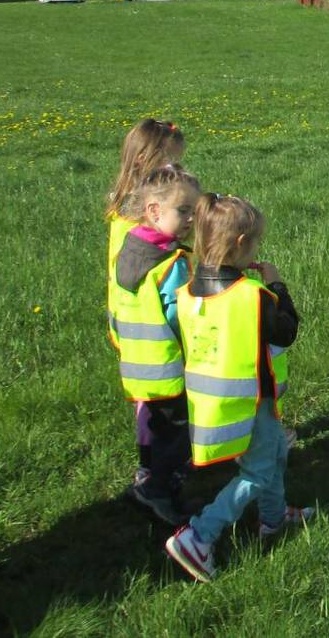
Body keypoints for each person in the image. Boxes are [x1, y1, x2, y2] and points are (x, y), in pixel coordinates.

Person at [165, 194, 309, 582]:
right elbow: (288, 330)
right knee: (257, 473)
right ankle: (199, 534)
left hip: (214, 401)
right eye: (256, 242)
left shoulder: (188, 292)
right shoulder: (252, 295)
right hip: (251, 400)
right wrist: (277, 283)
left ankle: (274, 520)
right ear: (242, 243)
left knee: (274, 452)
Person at [111, 165, 199, 525]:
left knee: (156, 427)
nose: (192, 218)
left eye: (195, 210)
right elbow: (184, 318)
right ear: (154, 211)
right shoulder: (169, 265)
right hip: (170, 364)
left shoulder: (129, 251)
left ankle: (150, 474)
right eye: (184, 211)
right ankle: (159, 490)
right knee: (178, 435)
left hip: (138, 362)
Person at [104, 119, 185, 489]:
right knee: (159, 404)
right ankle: (157, 472)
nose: (175, 172)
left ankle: (151, 463)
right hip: (149, 322)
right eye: (170, 165)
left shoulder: (124, 211)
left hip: (129, 320)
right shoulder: (139, 227)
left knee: (146, 398)